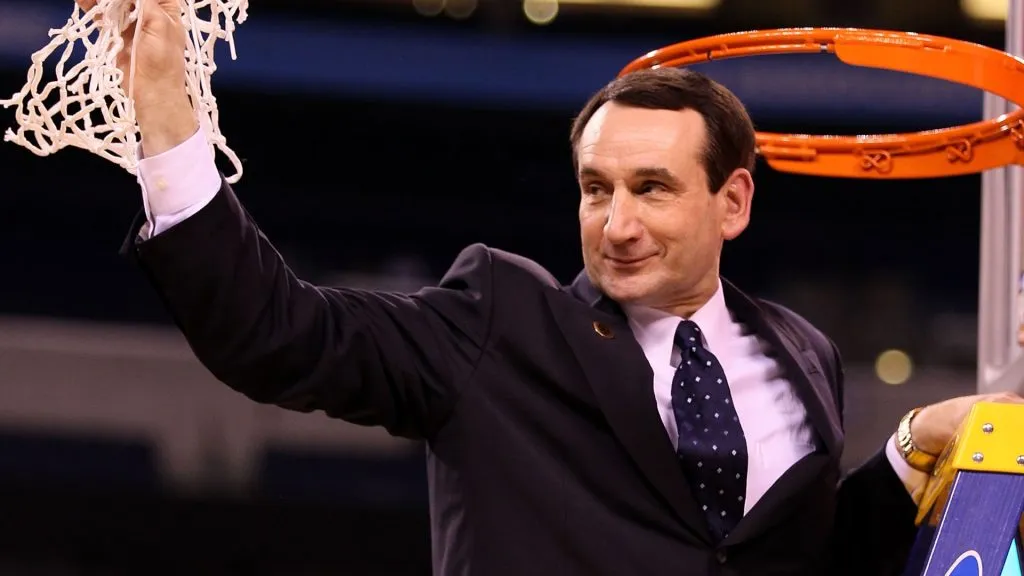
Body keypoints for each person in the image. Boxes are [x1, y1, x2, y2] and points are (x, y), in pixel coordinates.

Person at [80, 0, 1023, 574]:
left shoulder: (803, 353)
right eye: (595, 189)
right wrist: (167, 125)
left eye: (652, 189)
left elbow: (799, 556)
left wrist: (905, 449)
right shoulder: (498, 321)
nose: (616, 224)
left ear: (732, 201)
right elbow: (273, 332)